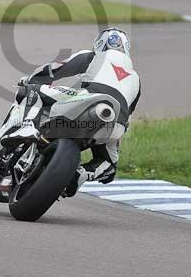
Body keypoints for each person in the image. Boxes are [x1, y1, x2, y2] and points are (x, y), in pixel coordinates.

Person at [15, 27, 141, 195]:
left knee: (32, 90)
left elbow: (53, 69)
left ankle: (27, 126)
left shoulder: (93, 56)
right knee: (109, 165)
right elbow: (128, 115)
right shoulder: (136, 79)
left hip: (87, 98)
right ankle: (83, 174)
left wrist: (32, 79)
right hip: (115, 122)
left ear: (99, 44)